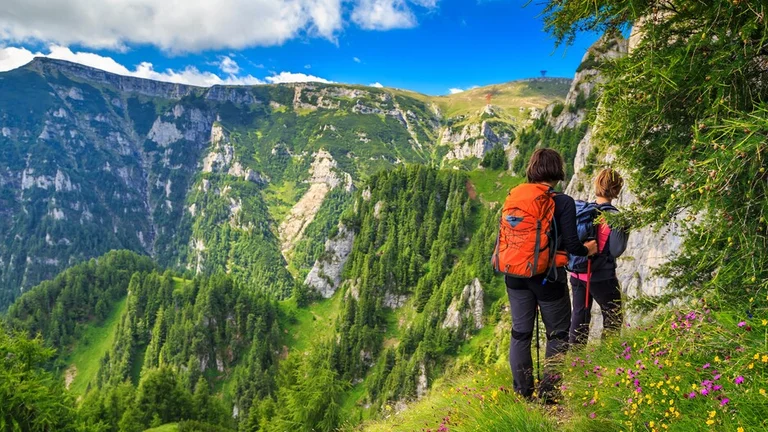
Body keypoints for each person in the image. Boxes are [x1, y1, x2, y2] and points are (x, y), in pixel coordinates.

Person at [504, 148, 597, 401]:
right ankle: (550, 393)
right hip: (549, 277)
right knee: (557, 333)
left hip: (515, 275)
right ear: (557, 171)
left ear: (532, 168)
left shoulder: (515, 195)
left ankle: (523, 393)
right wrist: (588, 249)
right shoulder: (562, 201)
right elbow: (572, 245)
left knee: (520, 332)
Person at [569, 168, 629, 346]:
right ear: (617, 190)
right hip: (601, 276)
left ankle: (575, 362)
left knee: (579, 316)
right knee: (613, 316)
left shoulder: (583, 211)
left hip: (577, 273)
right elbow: (617, 250)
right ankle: (607, 358)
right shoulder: (615, 217)